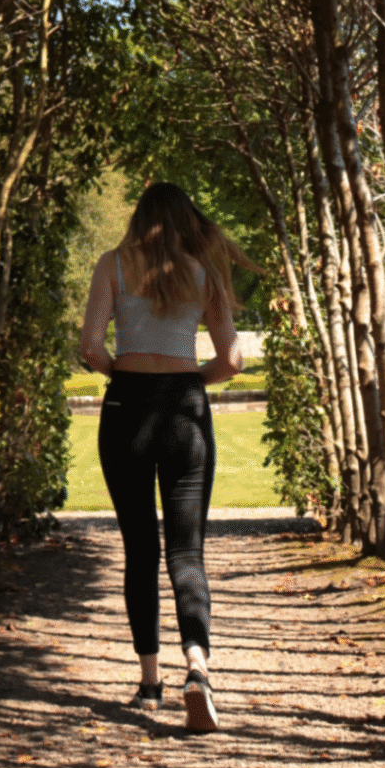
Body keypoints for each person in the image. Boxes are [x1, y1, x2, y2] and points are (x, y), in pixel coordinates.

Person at [79, 182, 259, 732]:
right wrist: (191, 378)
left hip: (128, 406)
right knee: (187, 552)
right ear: (185, 221)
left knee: (139, 549)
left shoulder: (112, 264)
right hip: (185, 409)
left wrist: (121, 374)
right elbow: (232, 358)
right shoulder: (201, 272)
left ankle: (150, 682)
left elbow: (90, 346)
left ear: (138, 218)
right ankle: (198, 667)